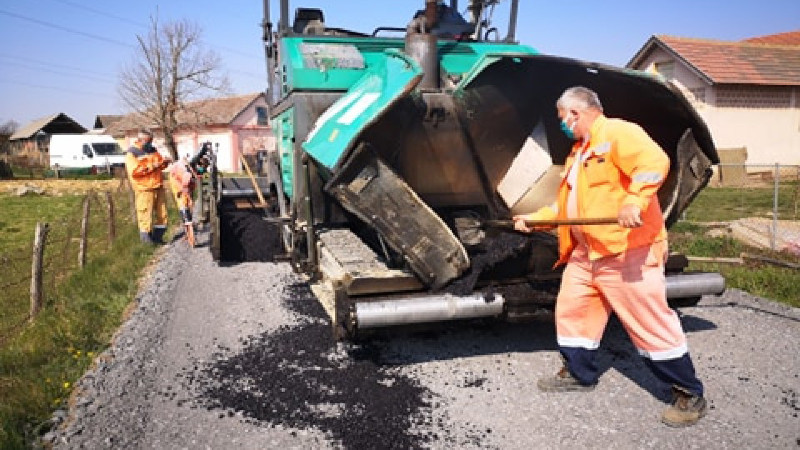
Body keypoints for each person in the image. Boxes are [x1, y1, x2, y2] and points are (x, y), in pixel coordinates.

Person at [513, 86, 706, 427]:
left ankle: (688, 393)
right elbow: (569, 208)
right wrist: (536, 220)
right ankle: (578, 372)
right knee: (574, 312)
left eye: (562, 119)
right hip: (587, 254)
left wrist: (635, 200)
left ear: (576, 112)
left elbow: (653, 163)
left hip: (626, 251)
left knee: (649, 321)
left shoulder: (618, 132)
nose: (562, 125)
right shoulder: (579, 153)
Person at [125, 129, 170, 244]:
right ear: (141, 140)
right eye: (149, 140)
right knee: (145, 216)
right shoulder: (132, 153)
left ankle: (158, 239)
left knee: (162, 214)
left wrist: (164, 162)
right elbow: (135, 171)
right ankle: (147, 243)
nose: (151, 142)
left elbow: (159, 164)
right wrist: (153, 166)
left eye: (151, 140)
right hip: (144, 189)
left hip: (157, 186)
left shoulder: (153, 150)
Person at [167, 156, 198, 247]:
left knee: (187, 205)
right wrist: (183, 189)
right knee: (183, 205)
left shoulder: (189, 170)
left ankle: (188, 226)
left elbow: (192, 182)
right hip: (179, 185)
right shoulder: (177, 172)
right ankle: (188, 227)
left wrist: (189, 190)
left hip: (184, 182)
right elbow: (179, 183)